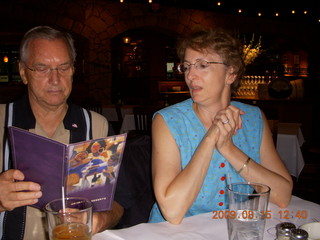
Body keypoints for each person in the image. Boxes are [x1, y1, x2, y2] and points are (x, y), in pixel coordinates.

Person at [148, 28, 293, 224]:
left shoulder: (253, 118)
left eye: (202, 65)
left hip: (232, 228)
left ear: (230, 73)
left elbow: (283, 196)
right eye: (187, 66)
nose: (190, 75)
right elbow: (172, 212)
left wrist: (228, 149)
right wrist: (210, 138)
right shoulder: (168, 121)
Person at [0, 26, 131, 239]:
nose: (55, 79)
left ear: (73, 70)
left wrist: (98, 220)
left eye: (63, 67)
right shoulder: (1, 121)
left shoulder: (97, 127)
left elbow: (120, 202)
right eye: (42, 68)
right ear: (23, 72)